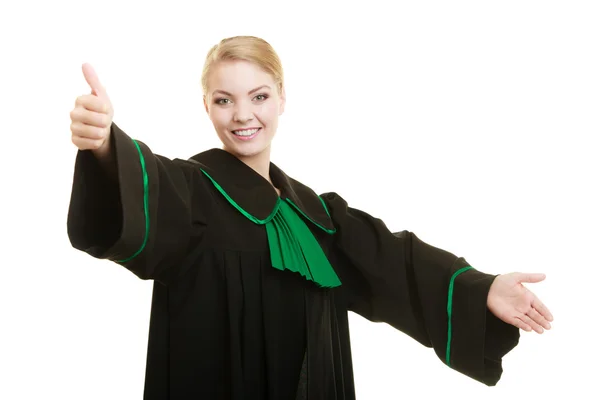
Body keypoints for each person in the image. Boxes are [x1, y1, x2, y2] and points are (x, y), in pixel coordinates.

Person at [67, 36, 553, 399]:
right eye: (224, 99)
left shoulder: (317, 215)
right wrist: (106, 146)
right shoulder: (191, 191)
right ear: (206, 106)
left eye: (258, 96)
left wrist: (481, 287)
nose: (242, 115)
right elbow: (142, 181)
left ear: (281, 99)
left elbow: (395, 260)